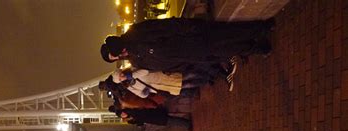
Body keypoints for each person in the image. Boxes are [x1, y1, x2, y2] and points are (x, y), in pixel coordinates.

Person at [100, 17, 274, 72]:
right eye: (115, 57)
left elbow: (166, 26)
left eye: (116, 53)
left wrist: (191, 26)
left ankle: (262, 28)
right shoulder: (136, 61)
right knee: (230, 50)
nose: (120, 55)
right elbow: (163, 66)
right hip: (195, 56)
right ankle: (258, 48)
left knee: (230, 33)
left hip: (194, 39)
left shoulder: (137, 33)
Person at [111, 68, 201, 98]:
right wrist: (144, 93)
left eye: (121, 74)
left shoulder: (132, 69)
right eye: (120, 78)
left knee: (185, 77)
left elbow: (145, 71)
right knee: (185, 86)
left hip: (162, 78)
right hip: (159, 88)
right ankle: (202, 82)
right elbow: (140, 94)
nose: (122, 77)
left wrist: (131, 75)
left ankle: (205, 75)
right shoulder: (128, 86)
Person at [109, 106, 193, 131]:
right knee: (169, 121)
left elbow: (141, 115)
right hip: (152, 119)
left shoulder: (132, 111)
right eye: (122, 116)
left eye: (122, 114)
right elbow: (139, 122)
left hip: (153, 115)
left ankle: (186, 123)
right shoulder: (129, 118)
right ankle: (185, 123)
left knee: (169, 120)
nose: (123, 115)